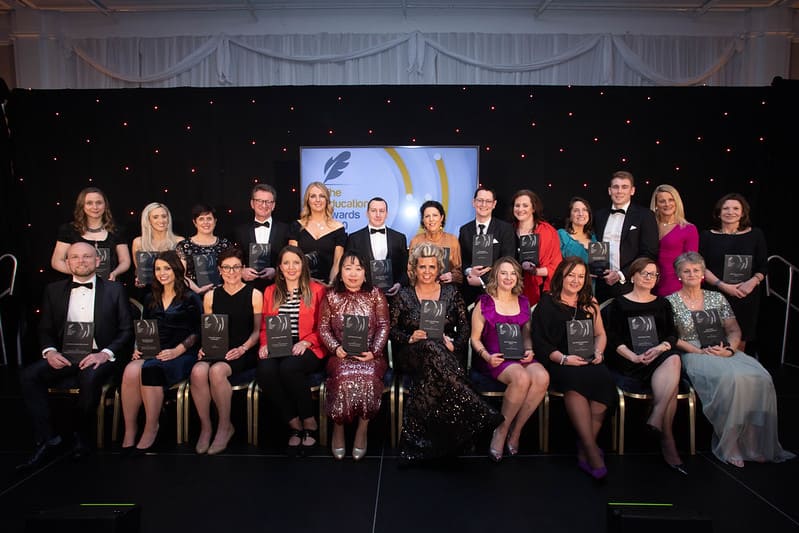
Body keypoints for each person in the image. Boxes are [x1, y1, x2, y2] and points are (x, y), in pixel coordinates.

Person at [666, 251, 794, 467]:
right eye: (686, 271)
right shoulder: (669, 301)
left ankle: (751, 441)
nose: (692, 274)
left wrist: (729, 350)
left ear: (703, 274)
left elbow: (734, 330)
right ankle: (731, 441)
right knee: (732, 379)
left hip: (723, 349)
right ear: (679, 275)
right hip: (693, 351)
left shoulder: (717, 298)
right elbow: (671, 336)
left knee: (760, 377)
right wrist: (699, 351)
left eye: (696, 270)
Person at [17, 242, 133, 470]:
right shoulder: (53, 290)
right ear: (67, 262)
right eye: (75, 257)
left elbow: (126, 330)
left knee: (88, 378)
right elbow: (45, 329)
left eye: (87, 257)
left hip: (99, 355)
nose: (81, 261)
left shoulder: (115, 289)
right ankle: (49, 439)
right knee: (29, 375)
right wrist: (50, 351)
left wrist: (105, 354)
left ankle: (80, 436)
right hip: (65, 354)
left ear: (97, 261)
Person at [390, 243, 502, 465]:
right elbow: (391, 330)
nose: (427, 271)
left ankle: (426, 445)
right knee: (431, 346)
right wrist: (410, 337)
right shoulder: (403, 295)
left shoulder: (451, 292)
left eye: (432, 267)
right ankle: (473, 404)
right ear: (414, 269)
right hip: (411, 353)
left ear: (439, 268)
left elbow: (465, 327)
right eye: (422, 267)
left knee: (435, 354)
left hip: (446, 354)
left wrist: (454, 345)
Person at [531, 256, 616, 479]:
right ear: (561, 276)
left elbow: (600, 335)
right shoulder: (547, 302)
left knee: (604, 381)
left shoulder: (590, 302)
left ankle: (585, 445)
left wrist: (598, 352)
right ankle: (591, 451)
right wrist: (563, 359)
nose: (576, 280)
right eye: (571, 275)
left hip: (588, 359)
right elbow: (539, 340)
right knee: (574, 382)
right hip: (560, 361)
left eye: (580, 276)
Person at [603, 257, 686, 474]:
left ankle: (657, 416)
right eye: (645, 273)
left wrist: (659, 348)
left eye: (654, 274)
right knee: (672, 385)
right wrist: (632, 356)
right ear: (633, 276)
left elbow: (672, 334)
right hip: (628, 360)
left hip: (657, 356)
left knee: (673, 358)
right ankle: (667, 439)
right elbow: (612, 338)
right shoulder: (618, 304)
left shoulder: (663, 304)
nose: (650, 277)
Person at [121, 251, 202, 453]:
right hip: (155, 351)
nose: (162, 273)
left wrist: (178, 350)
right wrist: (138, 348)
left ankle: (152, 427)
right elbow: (145, 327)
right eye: (158, 269)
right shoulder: (150, 297)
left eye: (167, 268)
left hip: (183, 353)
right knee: (130, 371)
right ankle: (130, 430)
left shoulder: (191, 297)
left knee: (151, 369)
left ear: (177, 270)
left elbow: (199, 331)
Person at [469, 256, 549, 461]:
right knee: (521, 378)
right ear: (496, 275)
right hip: (494, 357)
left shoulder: (523, 301)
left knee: (542, 377)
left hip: (519, 355)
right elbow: (474, 339)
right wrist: (487, 356)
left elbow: (526, 335)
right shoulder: (484, 302)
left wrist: (529, 349)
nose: (508, 277)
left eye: (513, 273)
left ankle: (516, 430)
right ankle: (501, 430)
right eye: (503, 273)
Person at [191, 247, 263, 455]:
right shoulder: (210, 296)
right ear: (219, 270)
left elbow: (257, 332)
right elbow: (209, 329)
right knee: (197, 371)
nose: (231, 272)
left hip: (243, 350)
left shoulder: (254, 294)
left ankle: (225, 426)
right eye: (227, 267)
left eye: (236, 267)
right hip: (217, 348)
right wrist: (204, 347)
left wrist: (242, 348)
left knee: (217, 371)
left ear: (243, 268)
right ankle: (206, 427)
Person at [319, 251, 390, 460]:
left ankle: (362, 429)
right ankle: (338, 427)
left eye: (358, 269)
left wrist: (374, 351)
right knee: (342, 377)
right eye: (348, 268)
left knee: (368, 377)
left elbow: (384, 325)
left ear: (365, 273)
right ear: (340, 273)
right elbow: (323, 328)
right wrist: (335, 348)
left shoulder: (376, 294)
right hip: (340, 355)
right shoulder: (331, 296)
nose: (353, 273)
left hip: (371, 355)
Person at [257, 245, 327, 455]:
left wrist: (307, 342)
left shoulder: (317, 290)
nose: (291, 267)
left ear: (303, 265)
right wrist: (265, 344)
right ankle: (294, 422)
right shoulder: (270, 291)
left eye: (296, 262)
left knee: (289, 367)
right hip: (278, 343)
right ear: (279, 267)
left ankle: (309, 420)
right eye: (286, 263)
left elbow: (324, 326)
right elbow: (264, 326)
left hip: (309, 345)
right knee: (265, 370)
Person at [698, 193, 767, 354]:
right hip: (714, 293)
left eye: (736, 208)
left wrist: (752, 282)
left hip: (744, 295)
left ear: (742, 213)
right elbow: (700, 266)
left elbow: (763, 266)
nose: (730, 212)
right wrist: (722, 285)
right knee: (712, 340)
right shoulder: (707, 236)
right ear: (719, 212)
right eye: (726, 208)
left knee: (740, 339)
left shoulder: (755, 235)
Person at [593, 171, 659, 303]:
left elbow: (649, 253)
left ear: (632, 190)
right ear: (609, 190)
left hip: (631, 284)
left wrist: (620, 274)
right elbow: (595, 245)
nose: (619, 191)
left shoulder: (645, 216)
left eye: (624, 187)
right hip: (601, 285)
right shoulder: (599, 215)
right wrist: (598, 271)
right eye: (615, 187)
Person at [51, 187, 131, 282]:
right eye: (89, 203)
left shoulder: (117, 230)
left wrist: (115, 273)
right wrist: (79, 274)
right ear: (82, 205)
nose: (95, 207)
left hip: (109, 284)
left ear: (105, 205)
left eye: (99, 203)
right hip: (77, 284)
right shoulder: (68, 230)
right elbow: (57, 261)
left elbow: (125, 261)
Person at [459, 187, 517, 305]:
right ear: (473, 202)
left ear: (494, 204)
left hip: (497, 292)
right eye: (480, 200)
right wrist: (469, 271)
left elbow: (508, 259)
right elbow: (462, 259)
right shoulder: (464, 230)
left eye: (488, 201)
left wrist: (482, 280)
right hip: (469, 293)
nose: (483, 204)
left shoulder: (505, 229)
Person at [345, 197, 408, 296]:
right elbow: (348, 267)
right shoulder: (354, 238)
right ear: (367, 213)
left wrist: (399, 284)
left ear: (386, 214)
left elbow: (405, 268)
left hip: (393, 295)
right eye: (373, 211)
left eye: (381, 211)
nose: (378, 215)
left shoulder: (400, 238)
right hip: (363, 294)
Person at [233, 183, 290, 293]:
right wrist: (241, 271)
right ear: (252, 204)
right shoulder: (240, 231)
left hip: (278, 288)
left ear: (273, 205)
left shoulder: (285, 230)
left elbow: (290, 258)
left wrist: (277, 271)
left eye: (268, 202)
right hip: (248, 290)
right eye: (259, 201)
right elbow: (236, 258)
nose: (264, 205)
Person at [288, 181, 346, 286]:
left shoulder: (338, 228)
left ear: (327, 200)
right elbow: (293, 259)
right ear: (307, 200)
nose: (318, 200)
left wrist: (331, 286)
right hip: (302, 285)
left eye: (322, 196)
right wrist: (303, 284)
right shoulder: (297, 226)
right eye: (313, 196)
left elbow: (337, 262)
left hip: (328, 286)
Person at [511, 189, 562, 307]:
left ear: (533, 208)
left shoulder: (548, 231)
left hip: (539, 290)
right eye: (517, 205)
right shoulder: (507, 230)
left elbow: (556, 265)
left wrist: (535, 271)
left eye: (525, 205)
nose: (520, 209)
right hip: (510, 287)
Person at [649, 185, 698, 297]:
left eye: (671, 200)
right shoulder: (649, 226)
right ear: (656, 205)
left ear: (677, 202)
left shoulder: (688, 229)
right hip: (649, 282)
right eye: (662, 201)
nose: (667, 204)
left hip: (674, 284)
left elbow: (691, 261)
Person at [176, 203, 233, 295]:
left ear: (215, 221)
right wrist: (198, 290)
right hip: (193, 296)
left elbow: (232, 269)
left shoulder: (225, 244)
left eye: (209, 218)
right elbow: (181, 275)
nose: (206, 222)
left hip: (222, 294)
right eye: (201, 219)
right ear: (195, 222)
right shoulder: (184, 246)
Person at [408, 200, 463, 286]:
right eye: (427, 216)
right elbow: (410, 270)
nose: (431, 219)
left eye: (435, 215)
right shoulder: (416, 241)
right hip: (421, 288)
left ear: (441, 218)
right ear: (423, 220)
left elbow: (459, 271)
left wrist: (452, 276)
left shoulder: (452, 240)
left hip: (446, 288)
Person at [131, 202, 184, 288]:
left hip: (174, 289)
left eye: (164, 216)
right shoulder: (138, 242)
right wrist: (139, 279)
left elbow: (183, 272)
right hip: (148, 290)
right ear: (148, 220)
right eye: (155, 217)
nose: (161, 221)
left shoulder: (179, 241)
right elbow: (139, 270)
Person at [557, 196, 597, 263]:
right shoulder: (561, 235)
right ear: (570, 216)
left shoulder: (594, 237)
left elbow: (599, 264)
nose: (581, 214)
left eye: (584, 210)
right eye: (576, 210)